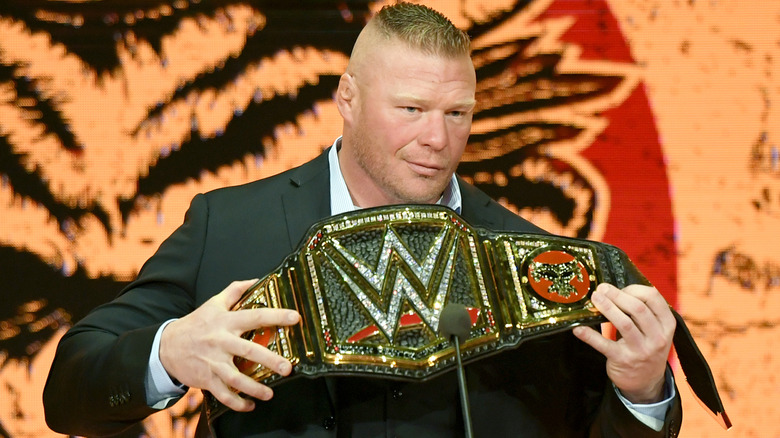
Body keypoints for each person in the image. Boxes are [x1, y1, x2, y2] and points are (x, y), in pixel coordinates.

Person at [43, 3, 681, 437]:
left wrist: (641, 392)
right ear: (345, 97)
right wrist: (170, 353)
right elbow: (70, 388)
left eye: (457, 113)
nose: (437, 138)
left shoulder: (534, 263)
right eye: (410, 108)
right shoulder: (228, 226)